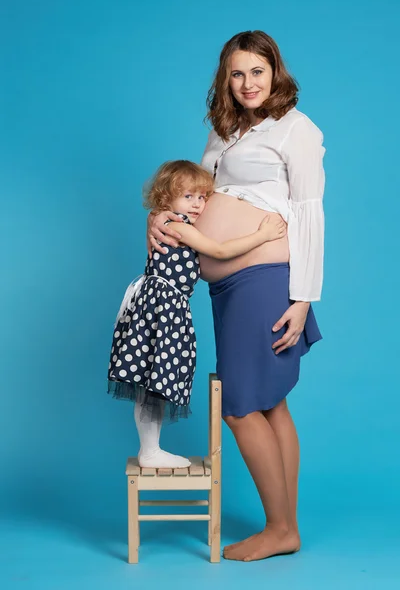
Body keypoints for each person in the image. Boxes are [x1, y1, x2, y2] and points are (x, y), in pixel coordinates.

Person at [147, 31, 325, 561]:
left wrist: (303, 298)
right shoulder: (224, 132)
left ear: (276, 73)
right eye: (237, 73)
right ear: (226, 78)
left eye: (257, 71)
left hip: (267, 283)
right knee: (270, 406)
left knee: (240, 405)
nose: (248, 83)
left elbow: (310, 215)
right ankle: (286, 524)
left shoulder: (296, 130)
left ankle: (278, 529)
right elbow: (198, 197)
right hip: (225, 286)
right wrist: (162, 217)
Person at [108, 159, 286, 470]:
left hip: (168, 306)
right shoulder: (174, 225)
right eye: (188, 196)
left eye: (202, 197)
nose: (197, 204)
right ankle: (149, 450)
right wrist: (263, 235)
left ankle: (151, 448)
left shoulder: (171, 222)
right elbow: (217, 251)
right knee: (154, 376)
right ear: (166, 198)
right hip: (162, 307)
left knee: (157, 375)